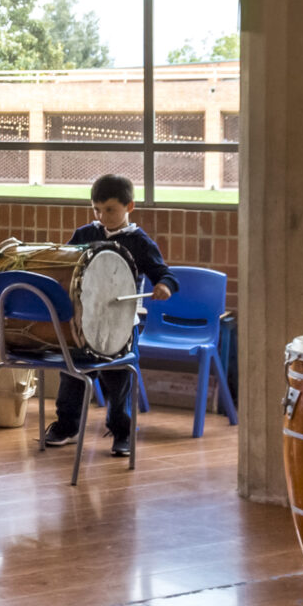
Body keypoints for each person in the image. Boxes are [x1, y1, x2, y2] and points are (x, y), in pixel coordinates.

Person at [42, 174, 175, 459]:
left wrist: (163, 286)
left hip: (122, 325)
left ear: (130, 206)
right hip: (83, 323)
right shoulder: (85, 235)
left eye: (110, 210)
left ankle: (122, 432)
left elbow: (163, 273)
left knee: (118, 381)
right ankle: (67, 425)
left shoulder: (139, 241)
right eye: (97, 210)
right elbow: (65, 265)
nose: (103, 216)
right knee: (72, 374)